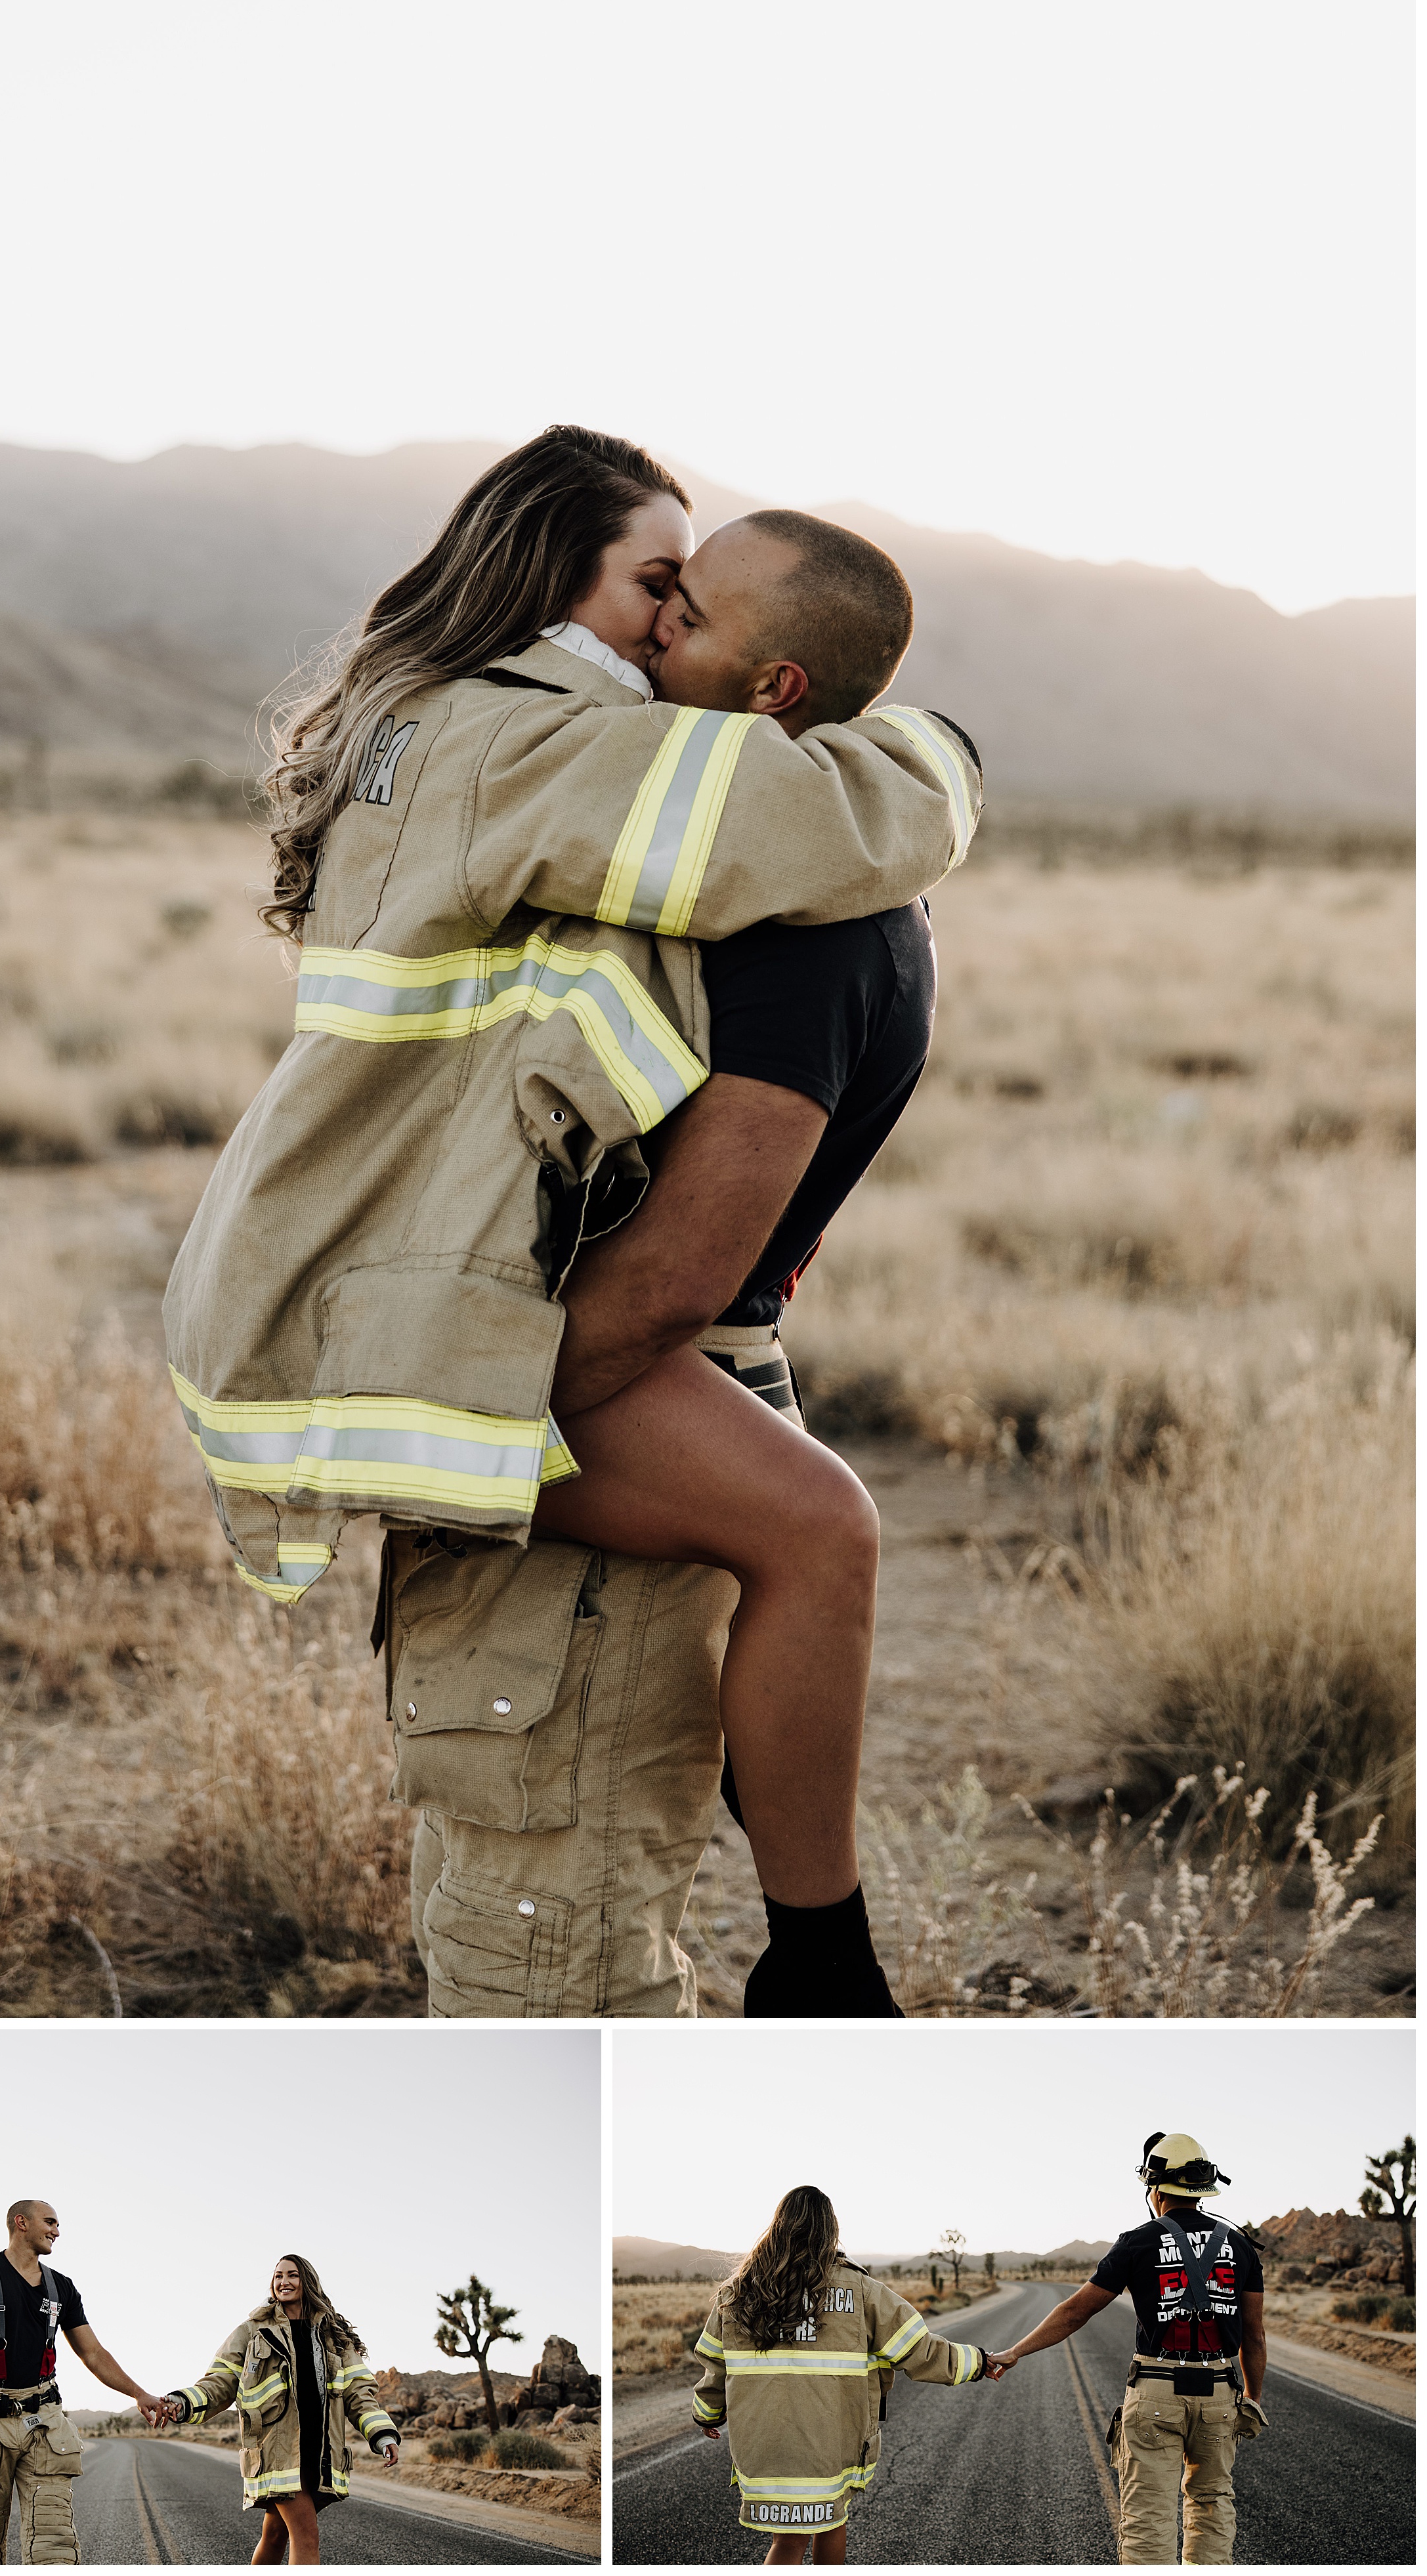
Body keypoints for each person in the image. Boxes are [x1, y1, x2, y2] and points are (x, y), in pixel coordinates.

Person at [393, 501, 972, 2016]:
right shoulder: (735, 860)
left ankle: (820, 1960)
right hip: (687, 1367)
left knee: (821, 1535)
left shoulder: (806, 919)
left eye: (690, 613)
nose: (655, 629)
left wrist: (453, 1422)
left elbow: (669, 1283)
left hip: (636, 1362)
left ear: (771, 688)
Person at [986, 2132, 1269, 2565]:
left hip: (1156, 2392)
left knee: (1149, 2517)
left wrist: (1015, 2352)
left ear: (1155, 2189)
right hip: (1219, 2394)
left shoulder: (1138, 2242)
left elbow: (1075, 2312)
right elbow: (1255, 2335)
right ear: (1202, 2189)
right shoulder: (1242, 2246)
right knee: (1212, 2504)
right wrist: (1252, 2398)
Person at [691, 2183, 998, 2564]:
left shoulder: (736, 2293)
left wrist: (706, 2415)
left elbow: (714, 2367)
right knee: (828, 2523)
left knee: (787, 2541)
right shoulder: (861, 2290)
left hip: (764, 2447)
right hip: (828, 2443)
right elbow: (920, 2351)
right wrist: (979, 2362)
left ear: (777, 2227)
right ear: (830, 2229)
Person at [0, 2195, 165, 2564]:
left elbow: (93, 2353)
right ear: (21, 2223)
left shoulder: (62, 2288)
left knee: (54, 2545)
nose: (57, 2231)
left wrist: (139, 2394)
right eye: (50, 2222)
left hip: (45, 2421)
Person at [158, 2250, 400, 2565]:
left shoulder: (333, 2337)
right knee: (306, 2535)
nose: (284, 2282)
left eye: (292, 2275)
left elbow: (359, 2392)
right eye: (278, 2276)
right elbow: (221, 2381)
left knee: (274, 2536)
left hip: (320, 2452)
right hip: (277, 2452)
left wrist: (382, 2434)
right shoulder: (253, 2330)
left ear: (307, 2282)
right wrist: (183, 2402)